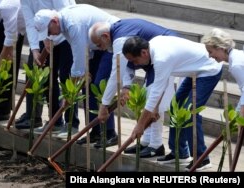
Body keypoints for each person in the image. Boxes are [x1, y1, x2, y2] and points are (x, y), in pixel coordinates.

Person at [122, 36, 222, 171]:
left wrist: (140, 125)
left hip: (209, 69)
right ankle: (180, 153)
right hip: (193, 70)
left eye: (135, 60)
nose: (135, 65)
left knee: (190, 112)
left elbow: (157, 90)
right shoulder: (152, 47)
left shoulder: (161, 58)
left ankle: (202, 158)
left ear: (144, 53)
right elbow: (160, 87)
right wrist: (154, 109)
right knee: (175, 107)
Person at [33, 4, 120, 147]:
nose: (50, 35)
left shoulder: (72, 24)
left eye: (49, 31)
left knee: (99, 86)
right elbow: (82, 53)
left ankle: (110, 133)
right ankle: (95, 131)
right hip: (95, 47)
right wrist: (82, 76)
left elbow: (78, 60)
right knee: (88, 86)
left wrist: (70, 93)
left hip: (109, 42)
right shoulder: (64, 24)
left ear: (54, 21)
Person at [88, 19, 177, 157]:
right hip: (153, 58)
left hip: (167, 54)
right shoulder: (117, 34)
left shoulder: (119, 40)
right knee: (150, 97)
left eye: (99, 44)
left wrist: (104, 105)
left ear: (105, 36)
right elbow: (128, 64)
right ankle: (146, 142)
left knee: (154, 100)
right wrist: (126, 87)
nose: (100, 49)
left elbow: (116, 73)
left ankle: (156, 145)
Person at [16, 0, 79, 139]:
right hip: (45, 32)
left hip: (65, 33)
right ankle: (55, 120)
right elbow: (30, 22)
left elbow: (66, 13)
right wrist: (34, 48)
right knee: (46, 78)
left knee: (66, 77)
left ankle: (72, 124)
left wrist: (49, 36)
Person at [201, 28, 244, 129]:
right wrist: (238, 112)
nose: (209, 56)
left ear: (220, 48)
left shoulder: (236, 64)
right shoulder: (237, 56)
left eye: (210, 51)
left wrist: (241, 114)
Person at [0, 0, 25, 122]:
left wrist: (1, 58)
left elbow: (11, 38)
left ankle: (3, 109)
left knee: (6, 62)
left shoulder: (7, 6)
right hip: (2, 17)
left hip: (14, 20)